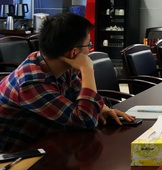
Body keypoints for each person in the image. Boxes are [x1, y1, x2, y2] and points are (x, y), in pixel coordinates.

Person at [0, 12, 133, 151]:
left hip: (48, 144)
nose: (90, 50)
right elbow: (86, 120)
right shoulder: (31, 82)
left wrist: (103, 108)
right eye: (88, 45)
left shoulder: (56, 64)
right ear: (74, 53)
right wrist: (87, 70)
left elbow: (83, 97)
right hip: (15, 157)